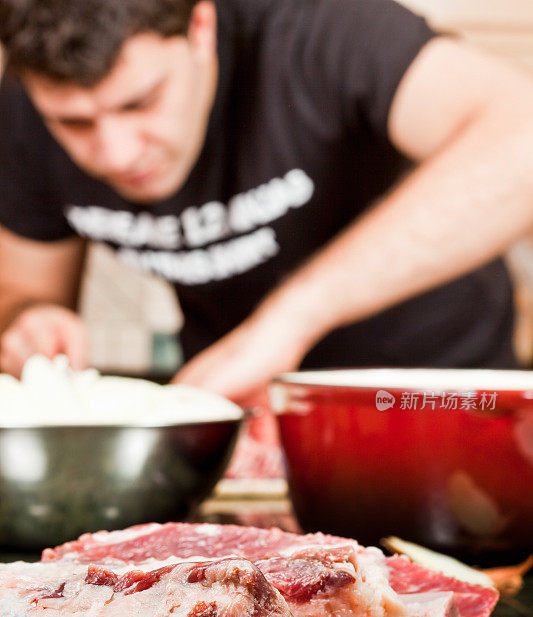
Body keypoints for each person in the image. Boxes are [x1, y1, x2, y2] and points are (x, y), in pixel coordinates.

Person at [1, 0, 533, 404]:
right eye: (73, 123)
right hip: (243, 425)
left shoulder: (317, 25)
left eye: (141, 102)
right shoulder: (23, 108)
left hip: (440, 401)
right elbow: (26, 292)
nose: (116, 154)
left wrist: (290, 320)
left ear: (200, 28)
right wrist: (28, 323)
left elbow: (522, 135)